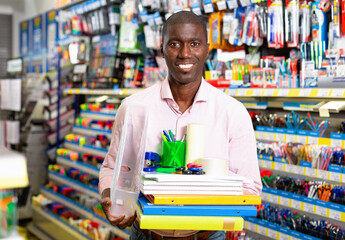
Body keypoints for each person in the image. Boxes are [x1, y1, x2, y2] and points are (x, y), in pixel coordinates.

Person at [99, 11, 262, 240]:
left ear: (207, 48)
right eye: (175, 44)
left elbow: (251, 186)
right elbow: (112, 169)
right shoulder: (133, 108)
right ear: (162, 49)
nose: (185, 53)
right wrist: (110, 197)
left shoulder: (233, 112)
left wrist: (206, 195)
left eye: (194, 44)